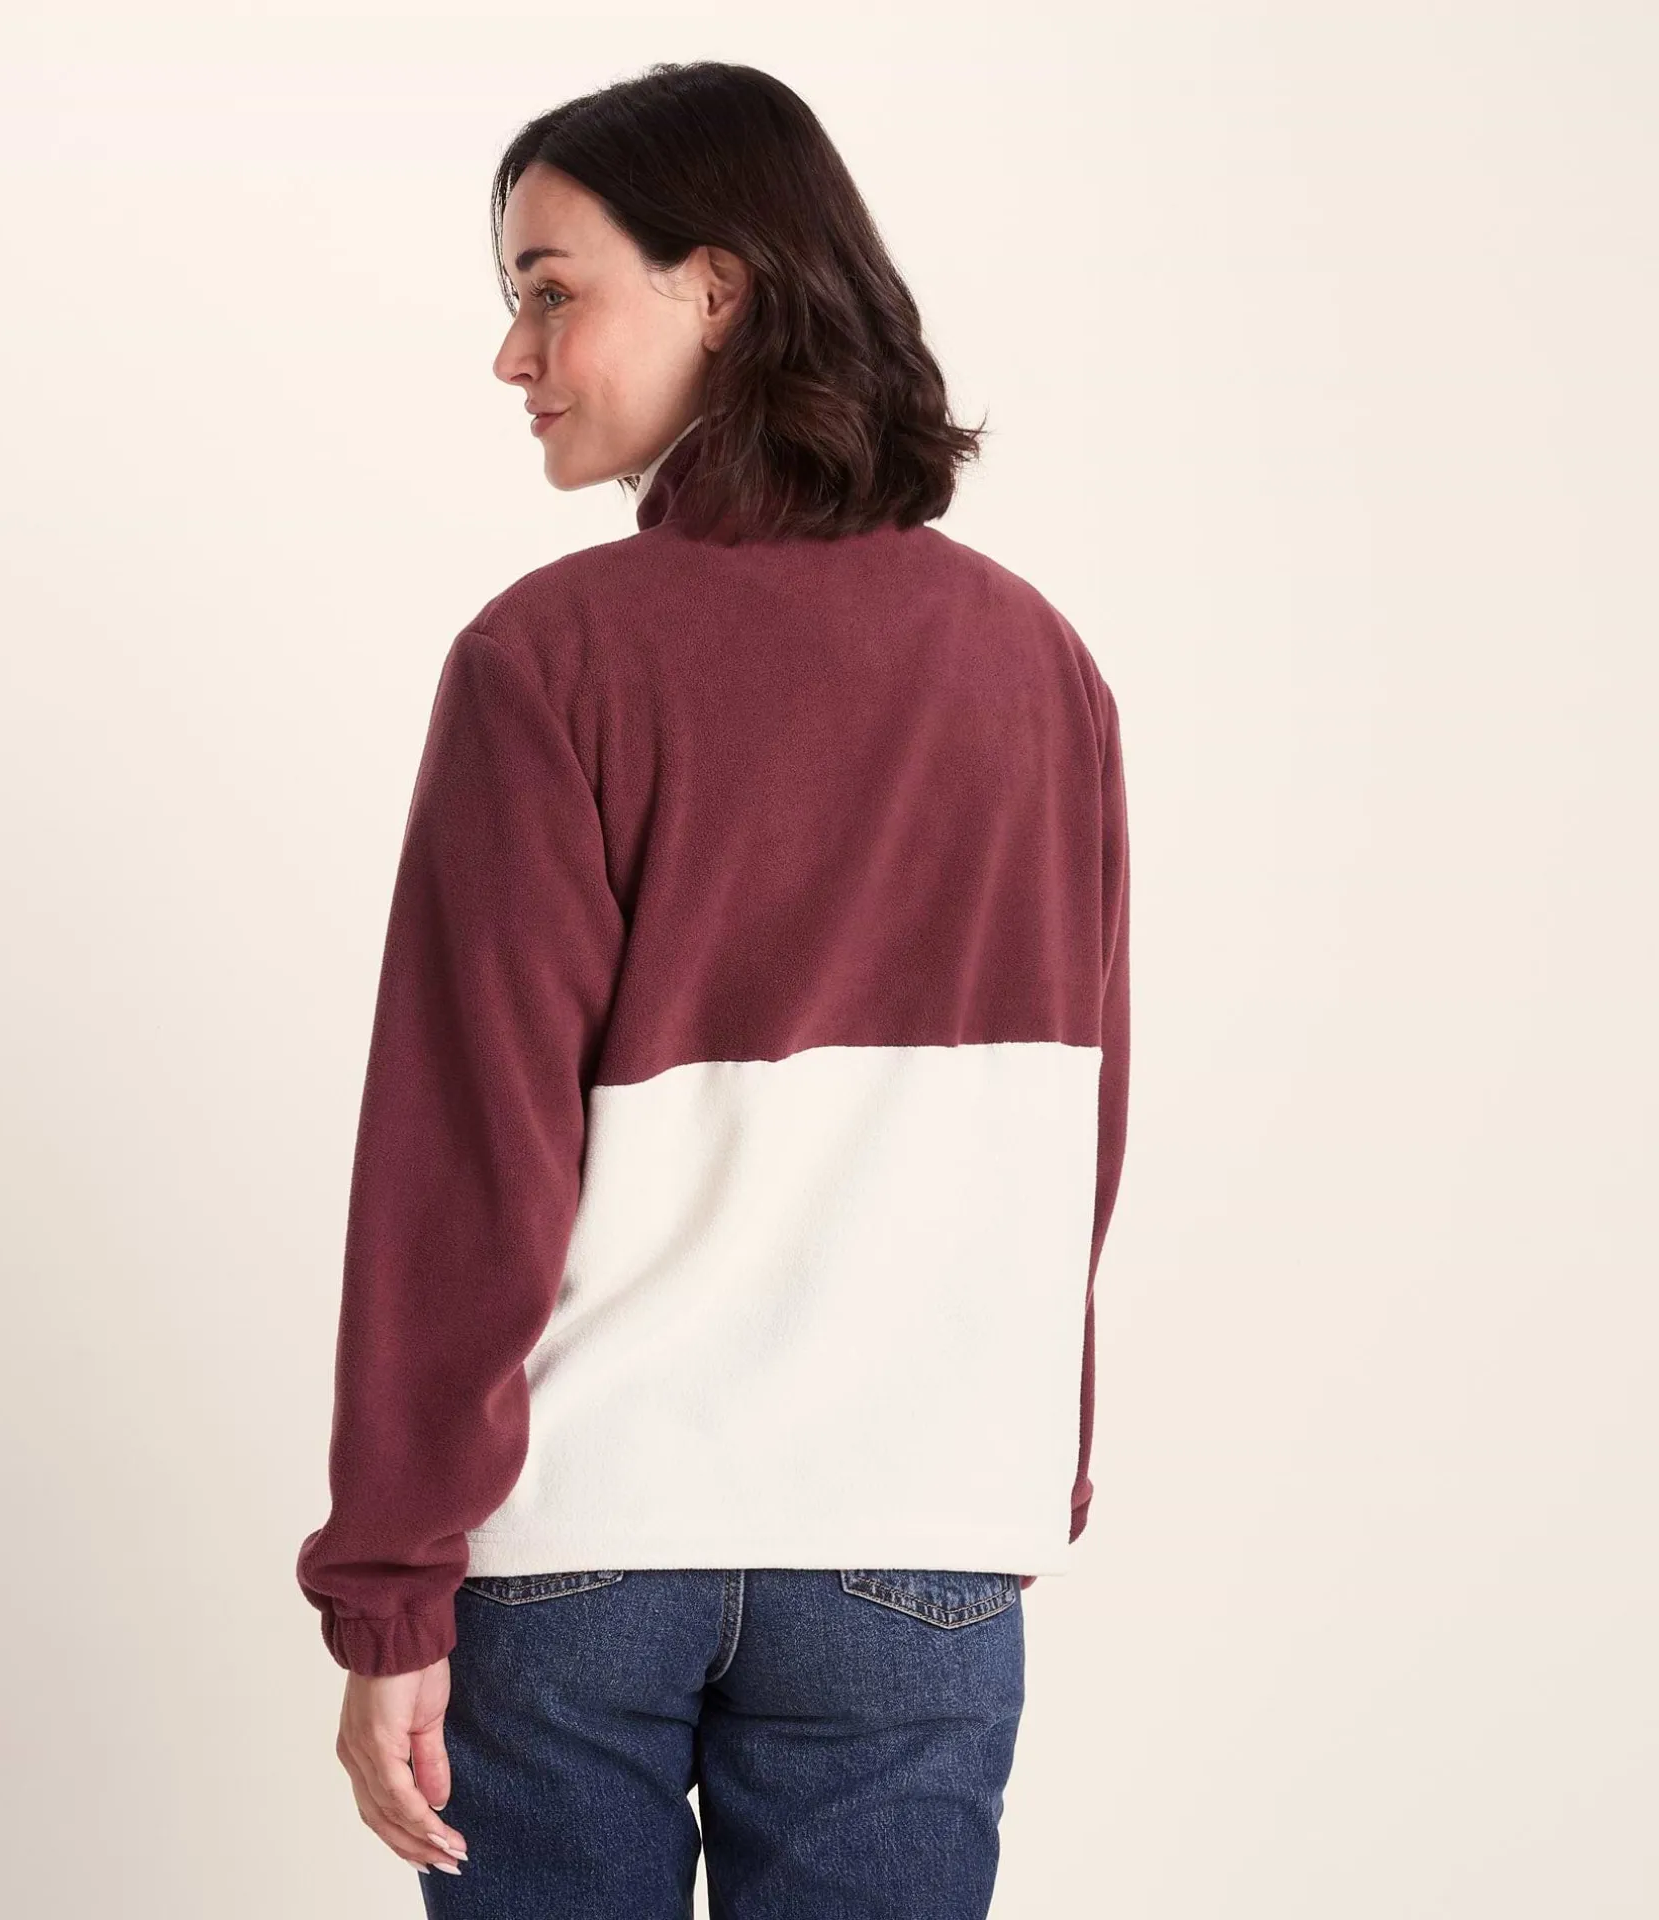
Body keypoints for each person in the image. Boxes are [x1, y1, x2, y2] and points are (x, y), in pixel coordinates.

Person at [295, 59, 1131, 1919]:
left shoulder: (550, 662)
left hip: (582, 1539)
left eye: (550, 291)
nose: (512, 355)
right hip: (918, 1539)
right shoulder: (1038, 664)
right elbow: (1079, 1119)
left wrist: (390, 1582)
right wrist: (1021, 1470)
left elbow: (464, 1158)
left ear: (720, 288)